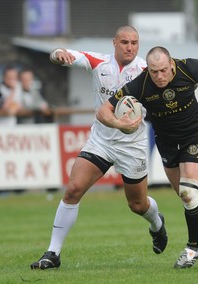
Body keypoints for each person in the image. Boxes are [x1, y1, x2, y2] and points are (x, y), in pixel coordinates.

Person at [30, 26, 168, 270]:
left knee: (138, 205)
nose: (130, 47)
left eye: (134, 43)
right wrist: (58, 54)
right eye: (124, 42)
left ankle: (157, 224)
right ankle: (53, 252)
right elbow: (61, 53)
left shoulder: (147, 72)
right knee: (73, 190)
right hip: (101, 141)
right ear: (114, 42)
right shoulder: (99, 62)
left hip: (132, 145)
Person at [97, 46, 198, 269]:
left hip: (194, 134)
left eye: (163, 70)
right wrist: (119, 123)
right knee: (183, 192)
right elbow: (103, 111)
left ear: (171, 64)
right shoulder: (140, 85)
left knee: (188, 192)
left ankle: (192, 249)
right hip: (166, 142)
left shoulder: (187, 67)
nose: (160, 76)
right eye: (154, 72)